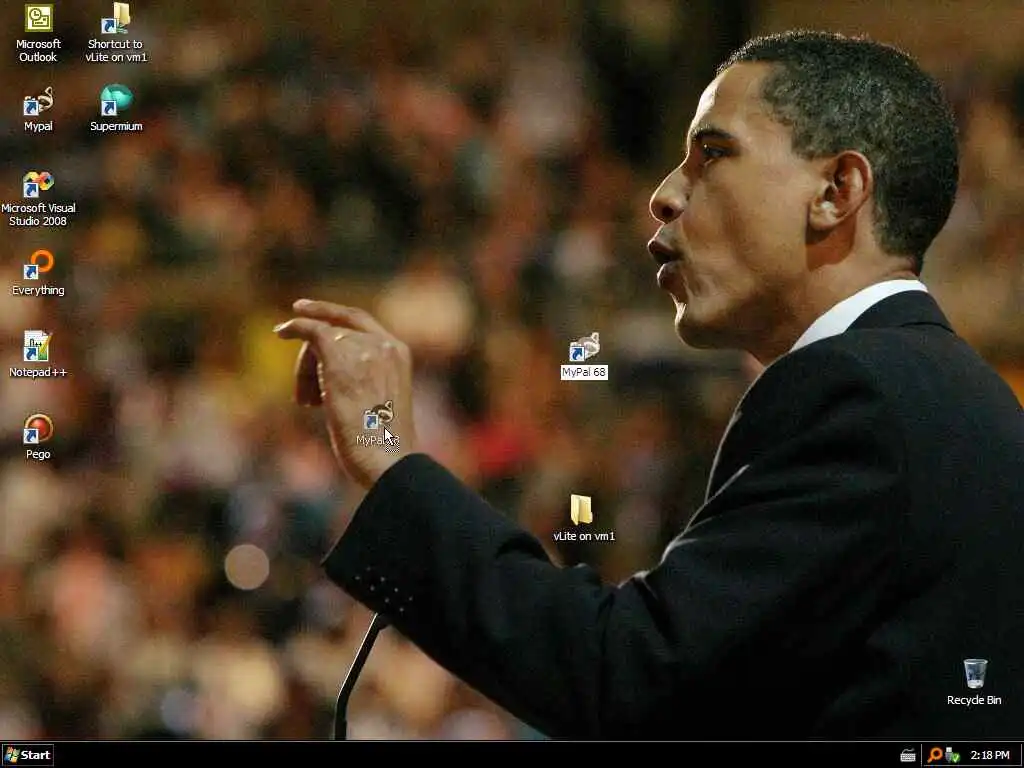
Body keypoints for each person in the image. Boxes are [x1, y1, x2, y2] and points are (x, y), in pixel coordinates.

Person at [273, 30, 1024, 739]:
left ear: (836, 189)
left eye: (712, 154)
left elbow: (627, 677)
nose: (664, 194)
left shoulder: (853, 392)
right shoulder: (967, 397)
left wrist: (388, 458)